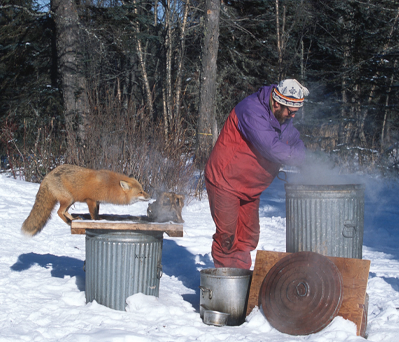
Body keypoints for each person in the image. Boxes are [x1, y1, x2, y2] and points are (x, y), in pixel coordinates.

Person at [205, 79, 309, 269]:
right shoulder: (251, 110)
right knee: (227, 237)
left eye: (295, 112)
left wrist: (308, 160)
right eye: (290, 111)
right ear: (276, 103)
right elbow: (270, 147)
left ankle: (241, 278)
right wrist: (299, 159)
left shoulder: (281, 117)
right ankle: (225, 288)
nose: (292, 116)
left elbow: (294, 140)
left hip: (250, 186)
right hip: (225, 181)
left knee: (247, 236)